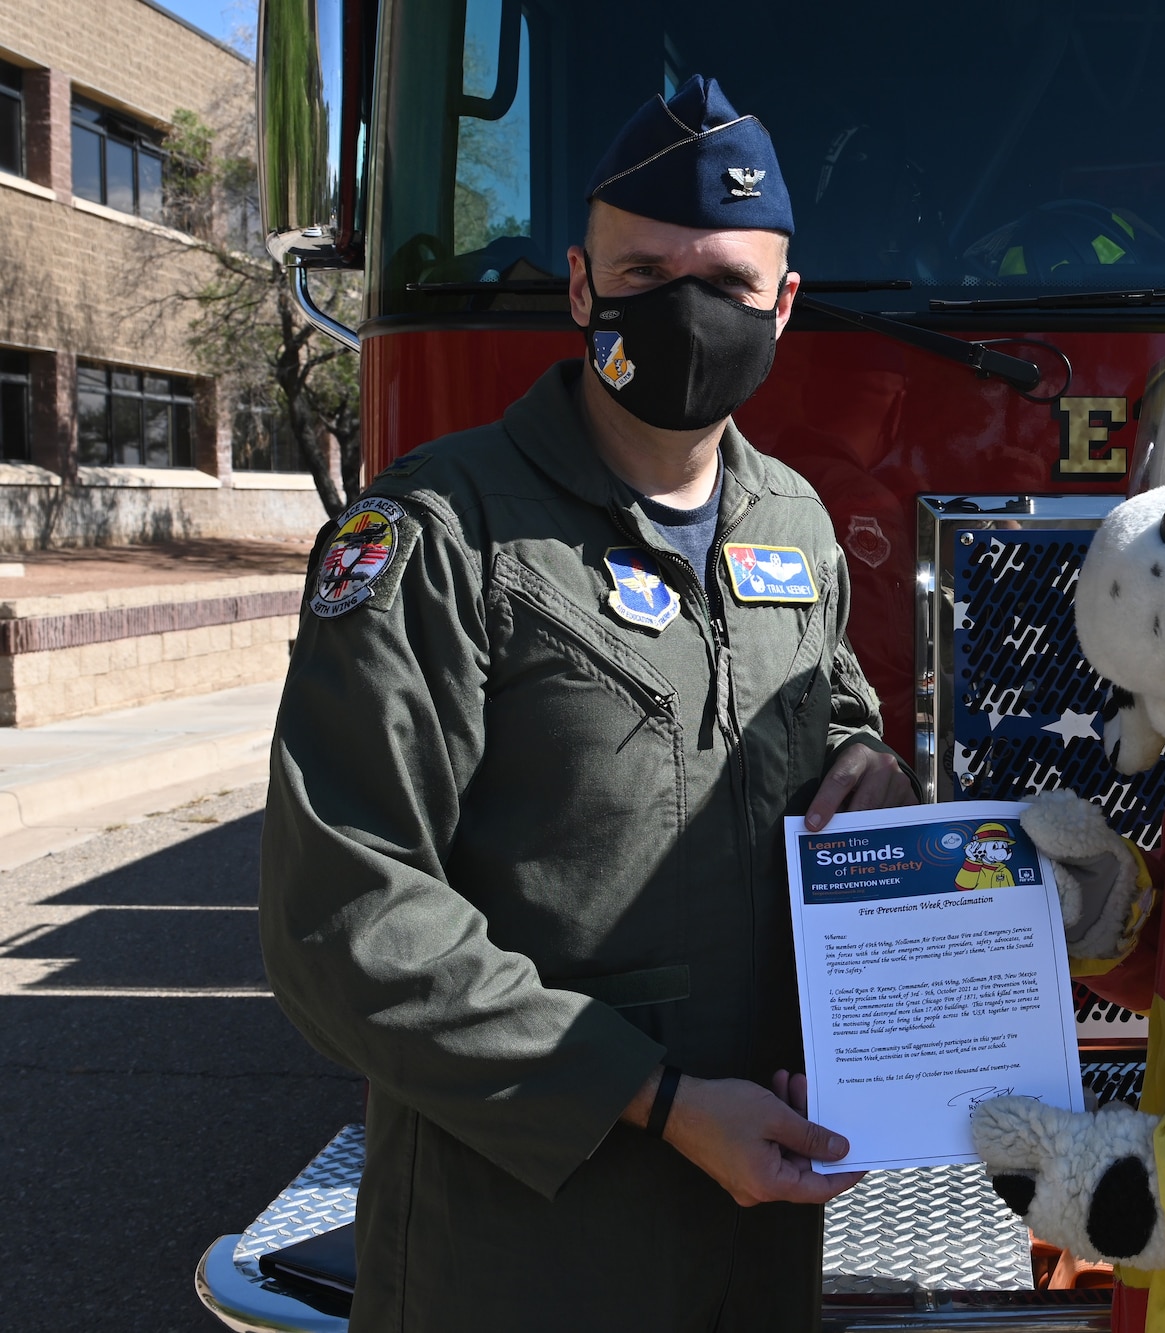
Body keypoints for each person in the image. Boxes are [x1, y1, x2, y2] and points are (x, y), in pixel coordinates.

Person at [260, 73, 915, 1332]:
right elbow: (340, 915)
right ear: (577, 287)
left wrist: (864, 760)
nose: (683, 309)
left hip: (758, 1215)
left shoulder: (794, 521)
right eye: (642, 271)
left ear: (781, 307)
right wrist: (659, 1101)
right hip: (519, 1235)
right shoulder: (433, 533)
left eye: (725, 284)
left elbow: (819, 712)